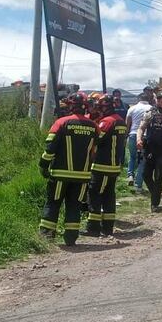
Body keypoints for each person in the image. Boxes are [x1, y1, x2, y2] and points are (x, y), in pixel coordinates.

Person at [38, 93, 98, 246]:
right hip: (82, 176)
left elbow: (50, 148)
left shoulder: (61, 123)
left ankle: (46, 235)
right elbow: (93, 152)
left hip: (60, 174)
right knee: (74, 205)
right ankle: (71, 237)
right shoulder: (93, 126)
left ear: (70, 106)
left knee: (53, 203)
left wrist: (43, 165)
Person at [86, 95, 128, 236]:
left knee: (95, 195)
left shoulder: (107, 122)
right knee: (109, 196)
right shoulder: (121, 121)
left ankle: (93, 229)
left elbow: (96, 140)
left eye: (101, 107)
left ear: (106, 107)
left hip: (102, 166)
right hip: (114, 166)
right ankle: (107, 228)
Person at [138, 91, 162, 212]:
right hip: (149, 148)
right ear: (158, 101)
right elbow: (141, 127)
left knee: (159, 176)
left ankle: (155, 204)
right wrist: (139, 139)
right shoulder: (151, 113)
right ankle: (156, 194)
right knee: (145, 174)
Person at [125, 91, 153, 191]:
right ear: (148, 99)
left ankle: (130, 175)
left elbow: (127, 123)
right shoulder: (151, 108)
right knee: (142, 161)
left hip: (132, 134)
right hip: (144, 136)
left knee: (132, 157)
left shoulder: (132, 108)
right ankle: (138, 184)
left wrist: (126, 135)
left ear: (138, 99)